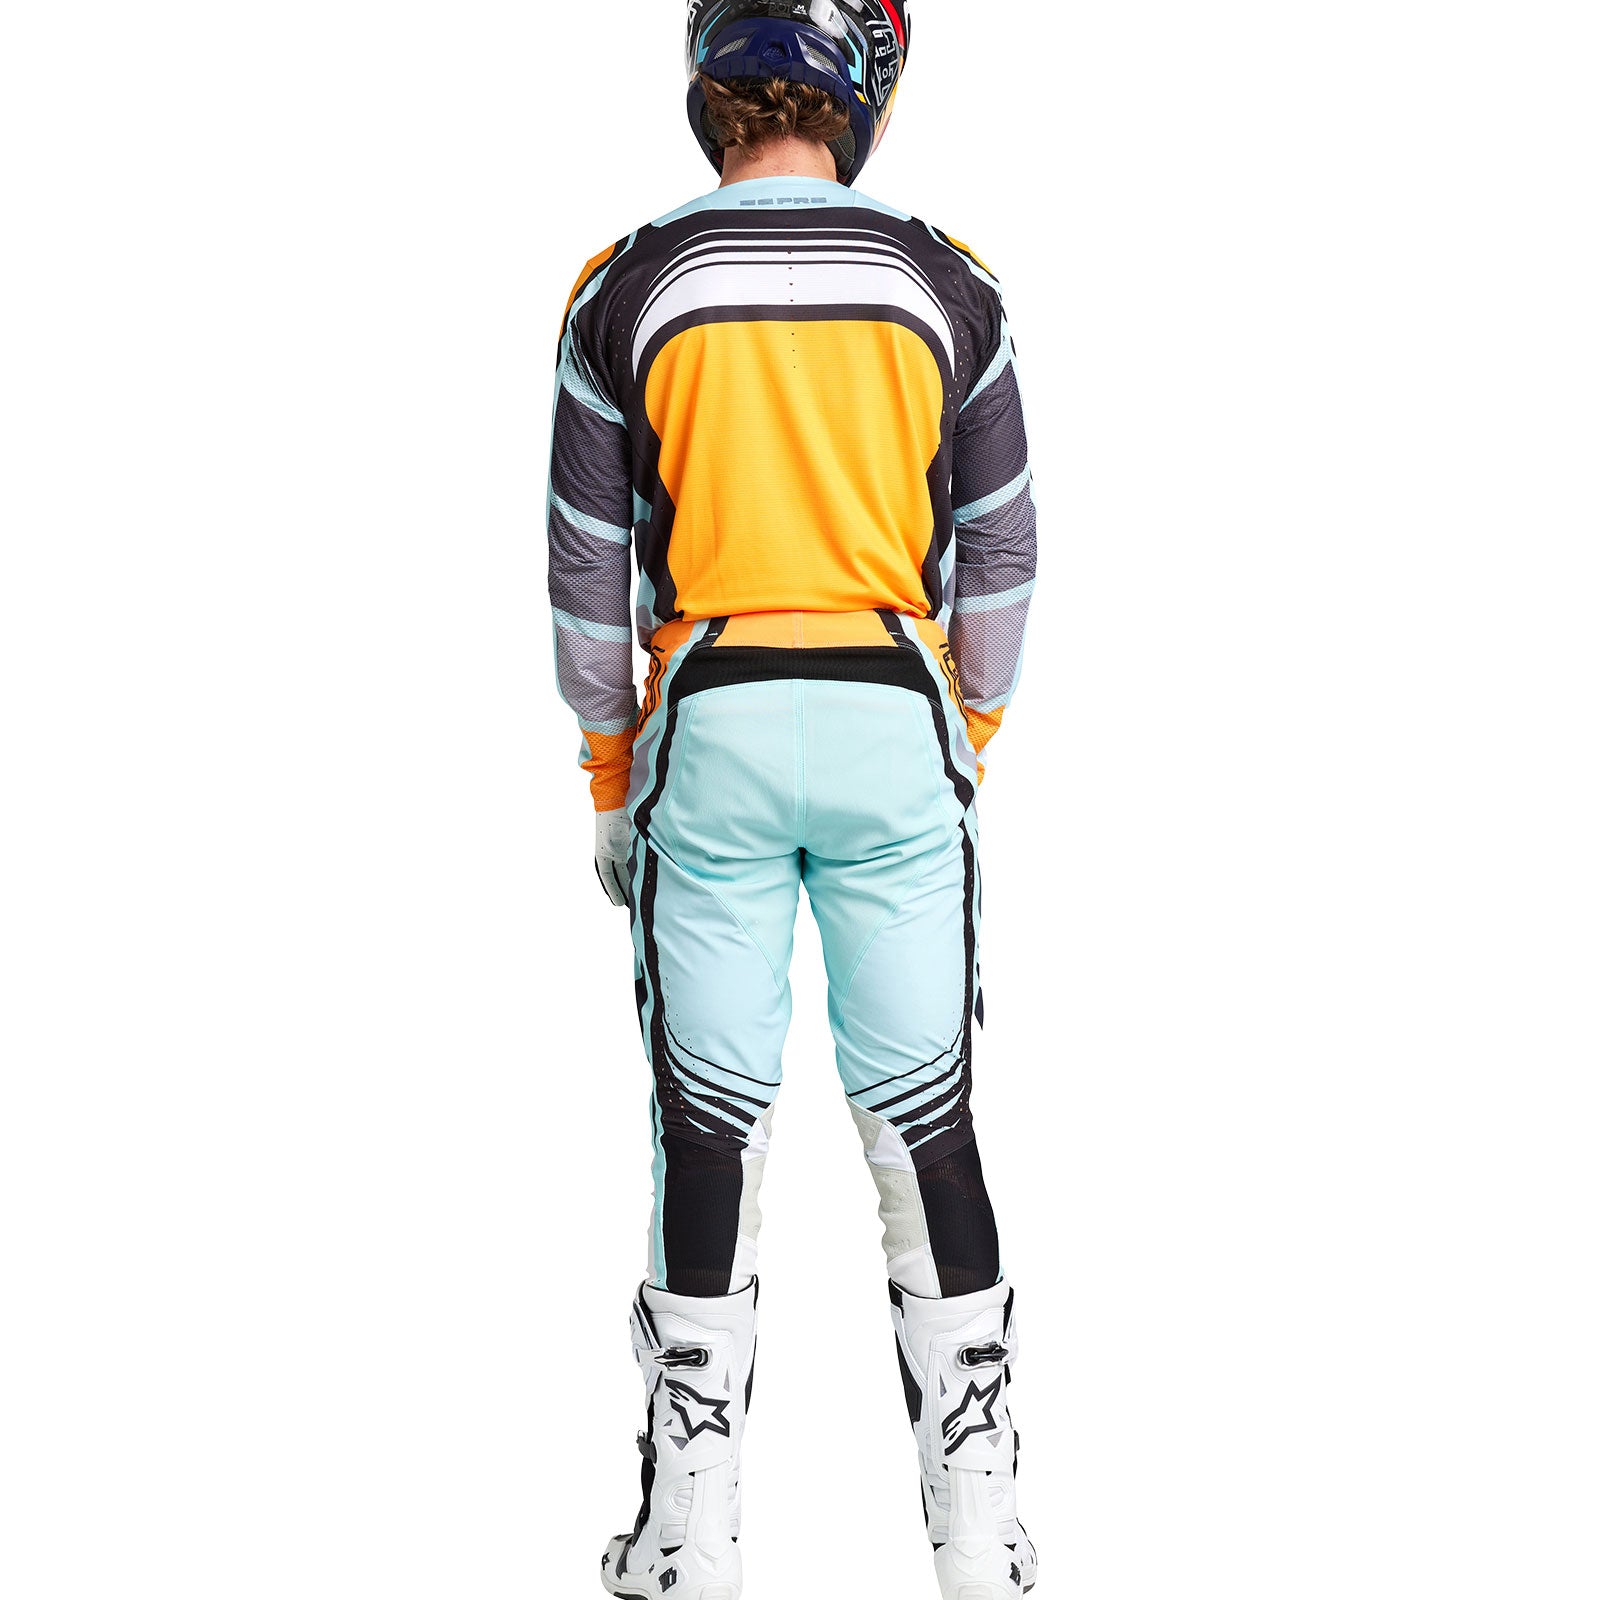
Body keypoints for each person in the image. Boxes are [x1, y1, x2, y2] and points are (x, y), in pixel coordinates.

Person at [546, 4, 1037, 1595]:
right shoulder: (947, 281)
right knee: (928, 1125)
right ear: (860, 84)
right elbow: (1003, 549)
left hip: (711, 733)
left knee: (707, 1129)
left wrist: (611, 777)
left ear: (712, 82)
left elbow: (586, 575)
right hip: (897, 719)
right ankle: (980, 1534)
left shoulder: (625, 287)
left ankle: (686, 1538)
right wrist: (962, 730)